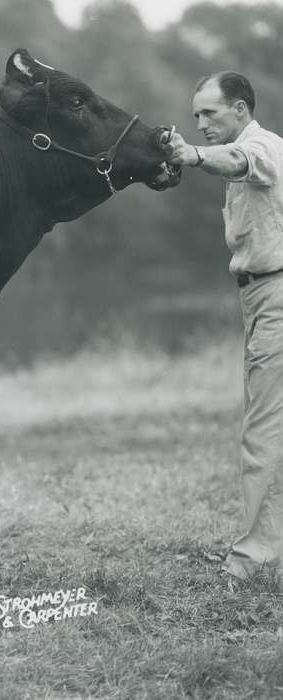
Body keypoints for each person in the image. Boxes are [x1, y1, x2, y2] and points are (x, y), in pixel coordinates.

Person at [164, 72, 283, 580]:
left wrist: (190, 155)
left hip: (277, 294)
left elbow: (237, 162)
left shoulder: (261, 149)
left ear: (240, 109)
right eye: (195, 116)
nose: (201, 124)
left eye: (210, 113)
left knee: (264, 431)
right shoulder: (245, 154)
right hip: (262, 294)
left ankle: (253, 562)